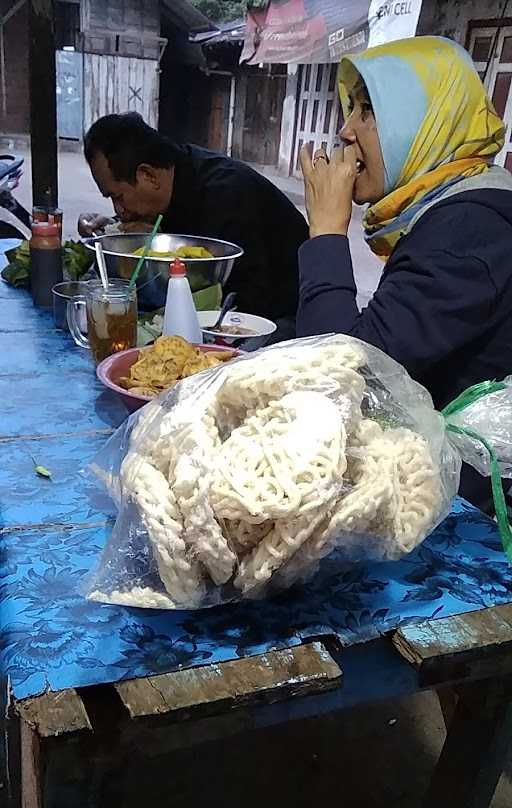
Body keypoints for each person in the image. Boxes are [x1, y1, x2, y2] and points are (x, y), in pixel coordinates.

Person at [297, 35, 512, 512]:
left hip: (475, 514)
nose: (345, 132)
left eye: (367, 112)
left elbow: (336, 377)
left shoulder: (468, 229)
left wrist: (327, 232)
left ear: (425, 122)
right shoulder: (453, 210)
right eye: (350, 110)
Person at [80, 113, 309, 329]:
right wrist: (113, 227)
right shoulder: (175, 177)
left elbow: (246, 303)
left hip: (290, 317)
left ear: (148, 175)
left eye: (118, 197)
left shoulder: (225, 195)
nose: (119, 210)